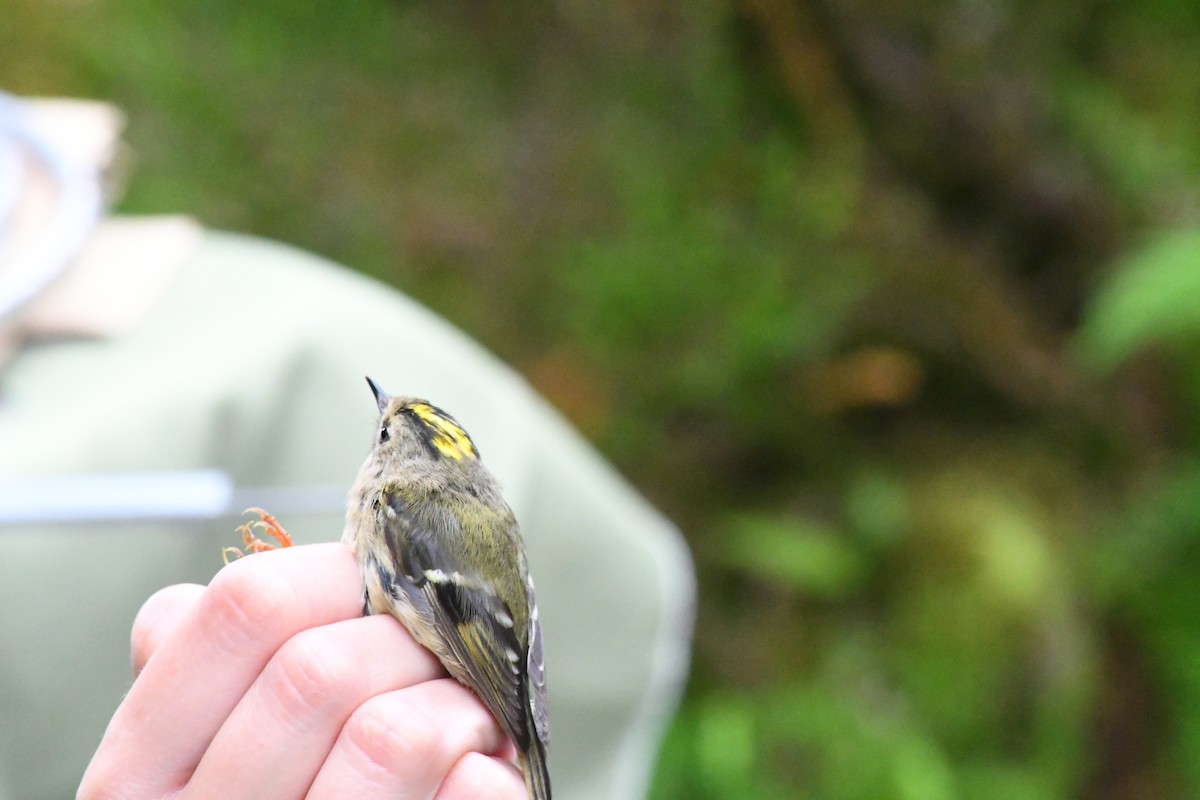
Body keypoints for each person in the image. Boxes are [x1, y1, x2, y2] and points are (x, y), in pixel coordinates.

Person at [0, 92, 694, 799]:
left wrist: (506, 708)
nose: (376, 426)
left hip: (471, 666)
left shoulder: (400, 504)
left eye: (384, 429)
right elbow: (514, 630)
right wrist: (524, 710)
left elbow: (430, 620)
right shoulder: (474, 516)